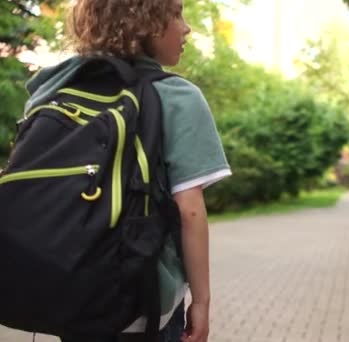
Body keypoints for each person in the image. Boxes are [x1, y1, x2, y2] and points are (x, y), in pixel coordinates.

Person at [23, 0, 231, 341]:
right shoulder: (176, 96)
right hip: (145, 307)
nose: (186, 27)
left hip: (73, 294)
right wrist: (202, 301)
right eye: (176, 13)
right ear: (144, 21)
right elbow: (190, 209)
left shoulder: (51, 91)